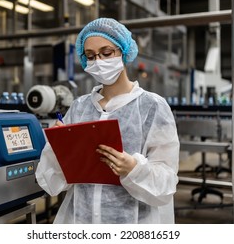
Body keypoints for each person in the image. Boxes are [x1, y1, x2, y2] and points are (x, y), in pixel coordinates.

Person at [35, 17, 180, 224]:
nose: (99, 62)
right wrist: (61, 151)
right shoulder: (79, 108)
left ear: (123, 51)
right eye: (91, 56)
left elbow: (166, 182)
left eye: (106, 53)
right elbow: (50, 182)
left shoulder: (152, 107)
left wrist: (133, 169)